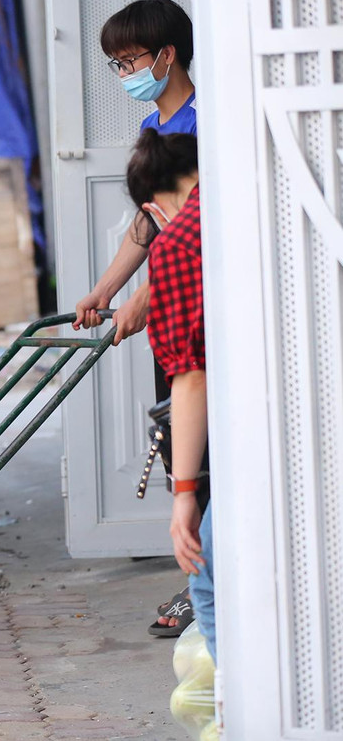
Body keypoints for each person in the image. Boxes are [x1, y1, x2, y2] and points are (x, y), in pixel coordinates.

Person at [72, 0, 199, 636]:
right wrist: (103, 291)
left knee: (201, 452)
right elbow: (149, 223)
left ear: (167, 54)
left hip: (197, 312)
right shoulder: (157, 125)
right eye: (117, 63)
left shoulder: (205, 124)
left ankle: (202, 583)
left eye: (131, 60)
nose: (124, 72)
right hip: (174, 307)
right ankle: (201, 576)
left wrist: (145, 302)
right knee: (181, 440)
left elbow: (194, 236)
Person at [124, 130, 212, 660]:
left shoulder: (178, 245)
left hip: (247, 431)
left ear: (154, 207)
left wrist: (184, 495)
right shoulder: (248, 199)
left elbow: (192, 376)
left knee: (208, 586)